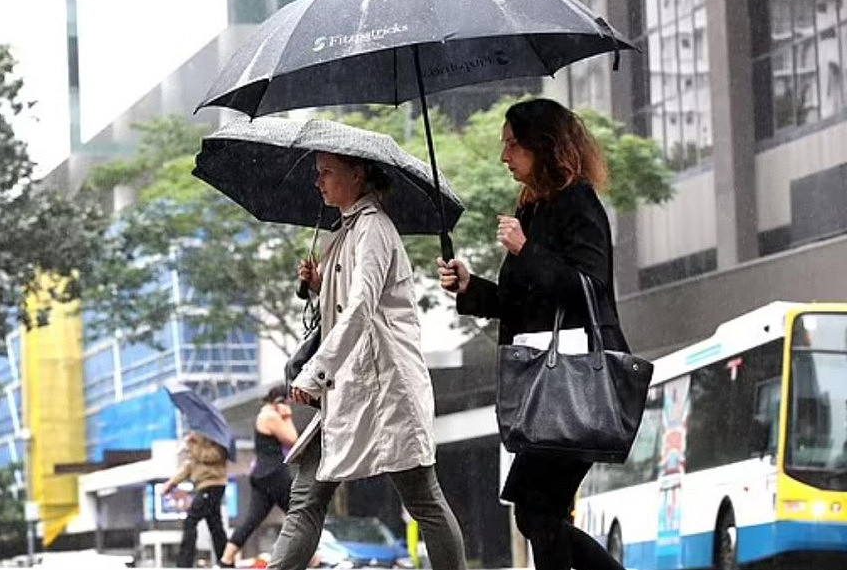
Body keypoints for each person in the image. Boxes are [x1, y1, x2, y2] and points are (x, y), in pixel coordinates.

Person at [437, 98, 629, 570]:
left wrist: (527, 250)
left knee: (538, 510)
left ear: (542, 146)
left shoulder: (578, 203)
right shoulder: (533, 208)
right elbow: (517, 303)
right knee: (534, 511)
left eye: (513, 145)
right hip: (543, 387)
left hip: (574, 382)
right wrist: (470, 287)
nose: (505, 157)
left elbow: (591, 286)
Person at [269, 150, 467, 570]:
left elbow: (361, 307)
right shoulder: (344, 232)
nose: (318, 182)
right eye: (317, 173)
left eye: (327, 172)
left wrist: (315, 373)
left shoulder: (374, 228)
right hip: (349, 389)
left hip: (384, 389)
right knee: (306, 496)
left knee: (423, 498)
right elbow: (344, 306)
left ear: (357, 175)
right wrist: (319, 286)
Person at [219, 386, 299, 567]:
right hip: (274, 474)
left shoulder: (264, 414)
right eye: (287, 402)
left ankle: (226, 559)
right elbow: (293, 439)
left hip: (262, 475)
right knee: (300, 514)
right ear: (280, 401)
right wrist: (287, 416)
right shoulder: (270, 416)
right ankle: (314, 559)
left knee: (251, 520)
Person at [160, 431, 229, 568]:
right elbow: (189, 466)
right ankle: (226, 561)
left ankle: (185, 563)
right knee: (215, 525)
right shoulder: (195, 439)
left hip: (213, 484)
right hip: (203, 486)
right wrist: (171, 483)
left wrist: (194, 445)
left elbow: (212, 456)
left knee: (191, 521)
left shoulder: (216, 436)